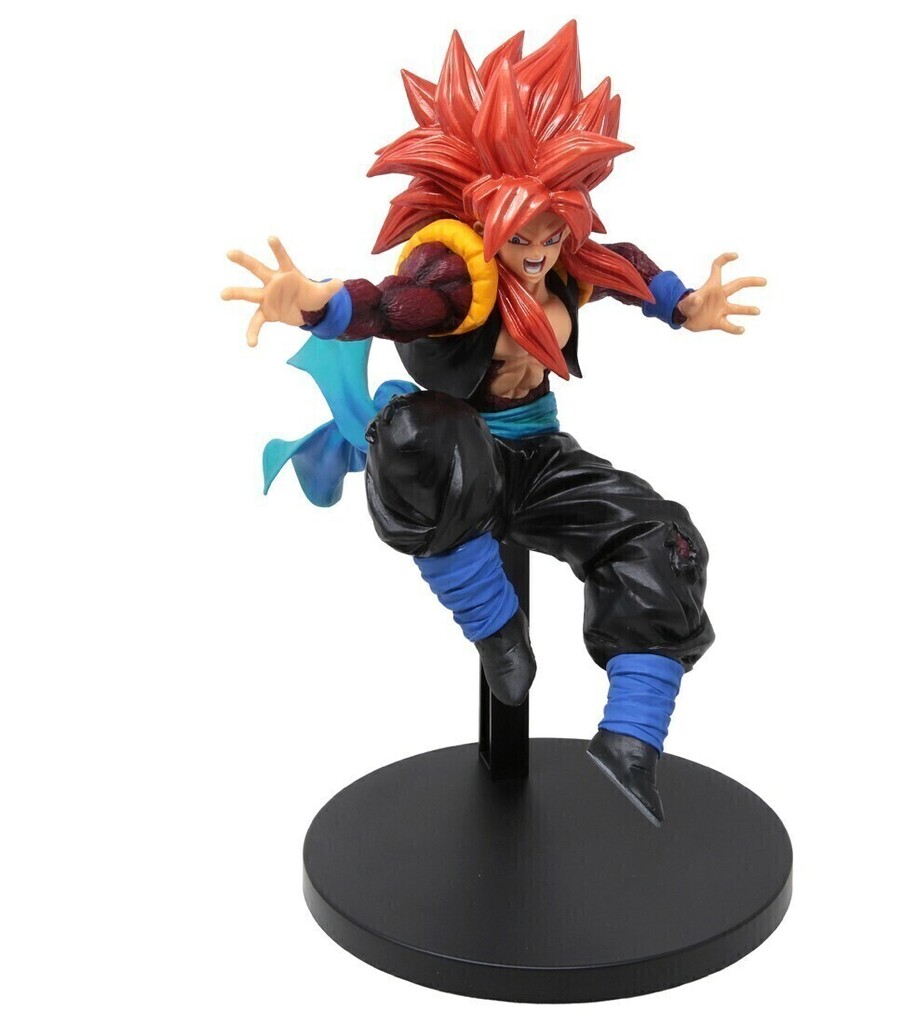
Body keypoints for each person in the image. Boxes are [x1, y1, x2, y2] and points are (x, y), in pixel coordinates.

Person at [222, 22, 765, 825]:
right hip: (454, 462)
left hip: (539, 457)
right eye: (523, 235)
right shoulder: (455, 278)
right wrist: (314, 304)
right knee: (418, 435)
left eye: (554, 231)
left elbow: (634, 271)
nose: (539, 251)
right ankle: (497, 630)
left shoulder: (570, 266)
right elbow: (385, 305)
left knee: (663, 536)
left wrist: (687, 306)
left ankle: (630, 742)